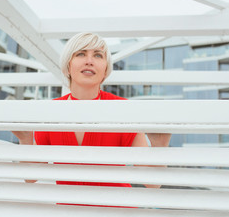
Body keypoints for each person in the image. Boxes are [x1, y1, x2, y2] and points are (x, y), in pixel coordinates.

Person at [13, 32, 171, 188]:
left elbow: (152, 184)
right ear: (68, 66)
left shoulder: (122, 109)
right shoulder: (51, 111)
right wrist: (25, 140)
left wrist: (160, 146)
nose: (89, 61)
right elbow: (30, 178)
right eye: (81, 54)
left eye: (98, 55)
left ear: (105, 71)